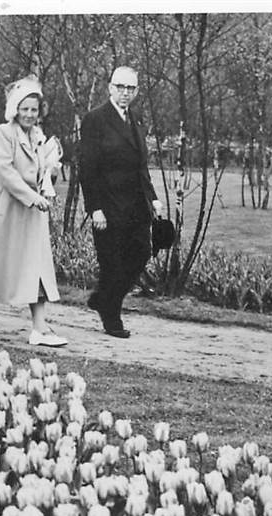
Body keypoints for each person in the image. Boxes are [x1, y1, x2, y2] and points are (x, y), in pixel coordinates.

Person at [0, 76, 67, 347]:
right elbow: (5, 173)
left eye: (34, 109)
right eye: (24, 108)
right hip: (7, 209)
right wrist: (31, 196)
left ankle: (39, 327)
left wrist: (49, 176)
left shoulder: (40, 137)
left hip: (32, 215)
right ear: (15, 109)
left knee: (37, 265)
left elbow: (42, 173)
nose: (29, 114)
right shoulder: (2, 133)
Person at [79, 66, 165, 338]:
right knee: (112, 264)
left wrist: (153, 198)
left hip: (137, 206)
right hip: (108, 205)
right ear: (110, 88)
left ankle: (103, 298)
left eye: (131, 88)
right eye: (121, 87)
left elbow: (141, 165)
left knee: (140, 254)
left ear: (137, 91)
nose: (126, 93)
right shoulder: (95, 119)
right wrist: (95, 209)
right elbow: (87, 168)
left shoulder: (135, 119)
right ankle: (111, 317)